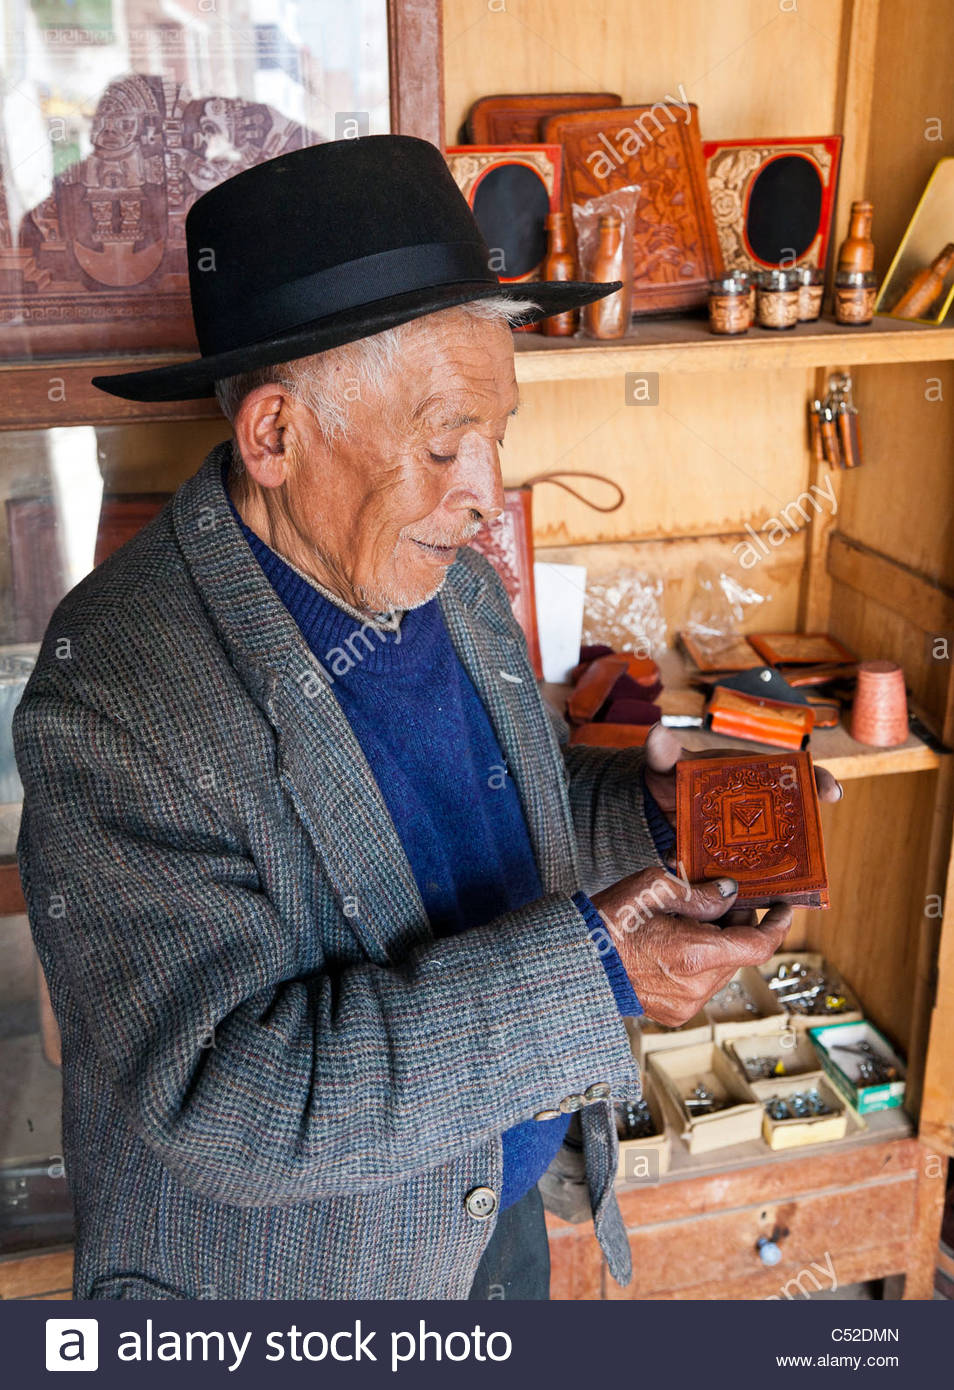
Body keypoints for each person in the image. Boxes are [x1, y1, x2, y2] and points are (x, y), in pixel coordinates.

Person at [13, 136, 841, 1301]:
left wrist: (652, 818)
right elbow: (228, 1092)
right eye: (446, 443)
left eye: (496, 435)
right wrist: (602, 973)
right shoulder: (121, 692)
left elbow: (500, 811)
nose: (483, 490)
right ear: (276, 437)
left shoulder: (436, 567)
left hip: (490, 1216)